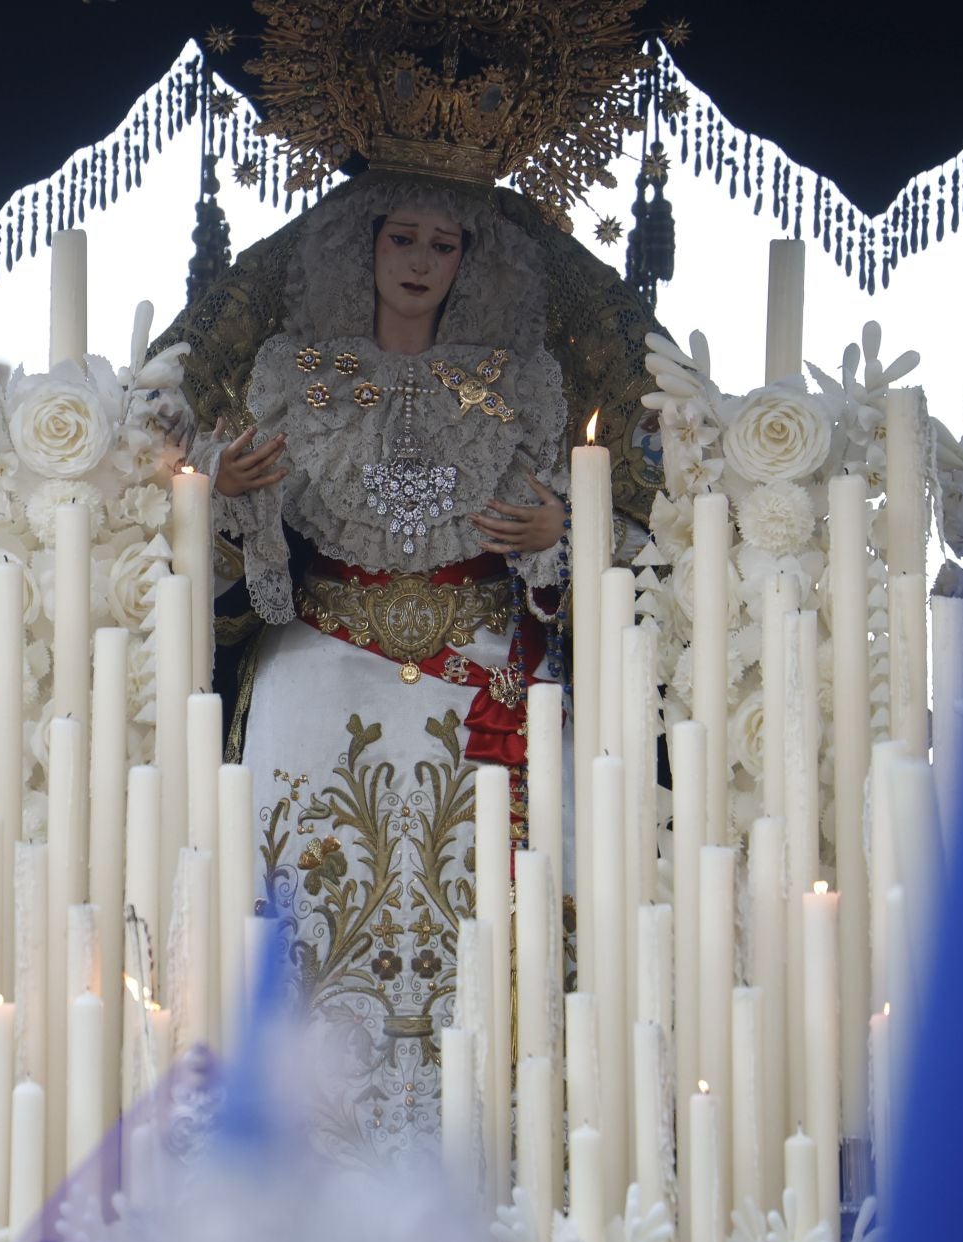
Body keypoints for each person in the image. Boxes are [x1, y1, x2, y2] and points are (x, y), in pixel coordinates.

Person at [162, 168, 661, 1162]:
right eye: (404, 240)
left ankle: (493, 1134)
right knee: (297, 891)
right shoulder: (291, 373)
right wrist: (231, 495)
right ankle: (294, 1130)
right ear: (365, 249)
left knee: (493, 892)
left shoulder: (518, 383)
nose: (422, 263)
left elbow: (576, 551)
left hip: (481, 663)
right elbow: (242, 564)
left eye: (445, 245)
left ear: (473, 263)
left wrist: (558, 535)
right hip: (319, 651)